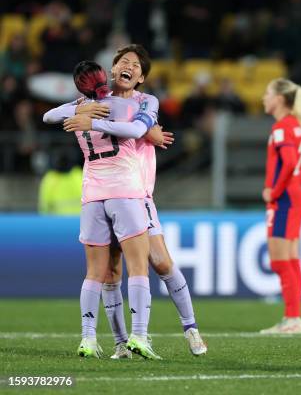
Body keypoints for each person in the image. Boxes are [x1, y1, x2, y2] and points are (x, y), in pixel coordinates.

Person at [62, 45, 207, 357]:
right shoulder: (97, 104)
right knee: (112, 273)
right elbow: (132, 129)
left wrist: (142, 132)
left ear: (141, 77)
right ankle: (121, 343)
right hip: (117, 192)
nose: (127, 67)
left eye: (134, 65)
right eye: (122, 62)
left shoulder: (145, 102)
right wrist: (84, 113)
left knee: (162, 263)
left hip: (139, 193)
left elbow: (136, 127)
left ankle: (191, 328)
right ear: (111, 69)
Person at [43, 61, 161, 359]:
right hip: (125, 192)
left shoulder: (78, 108)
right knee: (137, 267)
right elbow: (136, 129)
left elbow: (48, 116)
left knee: (95, 272)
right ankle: (139, 335)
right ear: (104, 77)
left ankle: (88, 339)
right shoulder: (122, 105)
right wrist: (95, 119)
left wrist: (81, 112)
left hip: (93, 196)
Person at [260, 78, 301, 334]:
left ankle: (293, 319)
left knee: (280, 261)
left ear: (280, 99)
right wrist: (294, 184)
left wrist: (276, 191)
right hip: (295, 197)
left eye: (267, 93)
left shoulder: (282, 128)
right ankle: (293, 318)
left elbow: (291, 161)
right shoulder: (298, 127)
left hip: (284, 199)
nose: (263, 98)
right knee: (291, 259)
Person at [38, 151, 83, 215]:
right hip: (78, 220)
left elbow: (43, 206)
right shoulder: (79, 175)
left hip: (56, 222)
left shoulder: (50, 178)